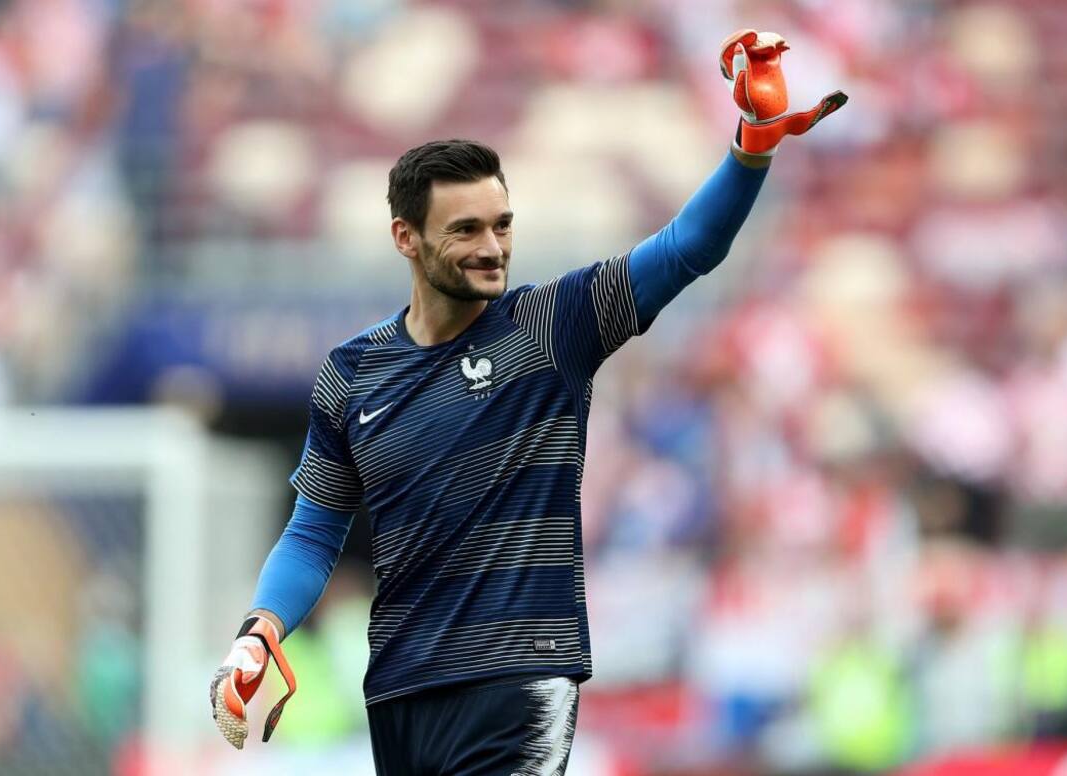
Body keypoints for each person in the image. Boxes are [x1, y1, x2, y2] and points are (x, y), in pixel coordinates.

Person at [210, 29, 846, 774]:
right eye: (466, 230)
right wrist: (262, 628)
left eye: (502, 226)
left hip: (521, 675)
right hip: (403, 689)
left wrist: (751, 150)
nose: (492, 247)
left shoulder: (552, 327)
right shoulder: (352, 374)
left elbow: (687, 248)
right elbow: (315, 533)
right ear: (406, 239)